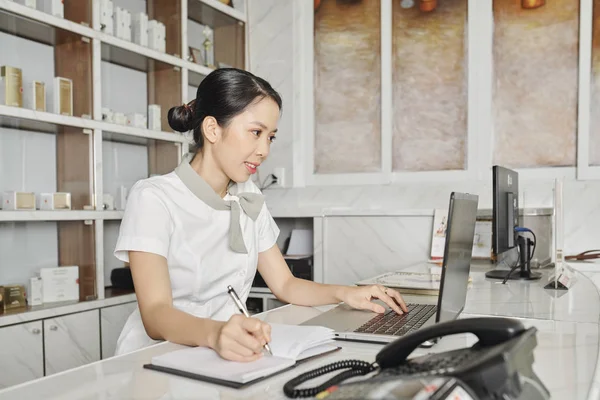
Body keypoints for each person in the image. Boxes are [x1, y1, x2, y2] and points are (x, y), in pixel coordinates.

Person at [113, 68, 408, 361]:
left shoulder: (248, 194)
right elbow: (155, 315)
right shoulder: (154, 197)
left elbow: (285, 284)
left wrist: (347, 293)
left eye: (271, 137)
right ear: (212, 129)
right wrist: (215, 333)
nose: (264, 150)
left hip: (225, 354)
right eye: (255, 132)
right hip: (154, 359)